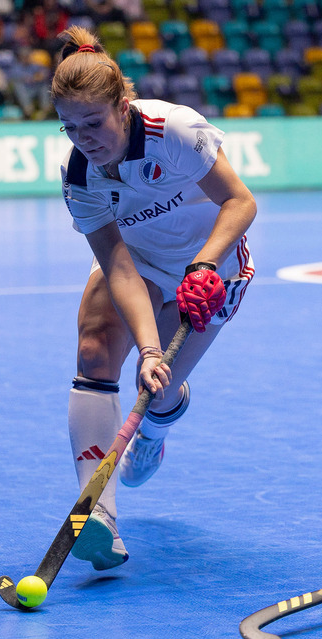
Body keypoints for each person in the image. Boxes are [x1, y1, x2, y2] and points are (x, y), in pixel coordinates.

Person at [51, 26, 257, 572]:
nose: (84, 138)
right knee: (97, 350)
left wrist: (206, 262)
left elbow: (239, 203)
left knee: (160, 395)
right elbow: (116, 263)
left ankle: (158, 428)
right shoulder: (79, 174)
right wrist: (145, 349)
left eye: (93, 123)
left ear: (123, 106)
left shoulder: (175, 130)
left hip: (210, 265)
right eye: (69, 127)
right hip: (138, 261)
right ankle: (99, 515)